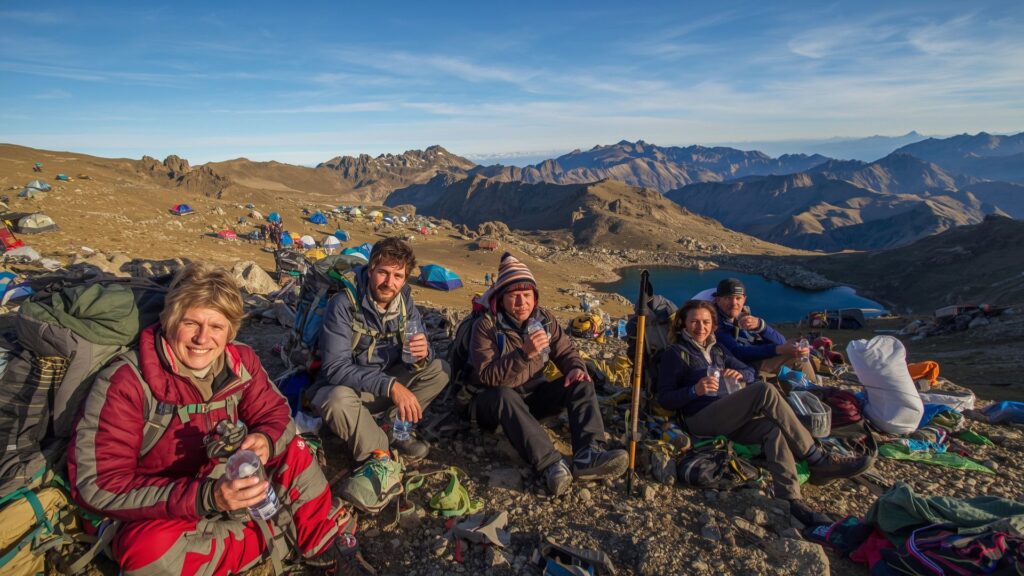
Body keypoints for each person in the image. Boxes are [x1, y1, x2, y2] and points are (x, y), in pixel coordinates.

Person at [68, 263, 372, 575]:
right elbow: (98, 484)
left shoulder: (239, 361)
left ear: (230, 330)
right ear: (169, 320)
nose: (203, 339)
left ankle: (321, 541)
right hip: (166, 502)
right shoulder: (126, 382)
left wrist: (266, 440)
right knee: (146, 552)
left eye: (216, 327)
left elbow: (276, 415)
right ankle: (279, 540)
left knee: (294, 448)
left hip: (225, 481)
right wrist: (206, 497)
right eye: (191, 323)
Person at [657, 300, 871, 525]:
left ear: (713, 325)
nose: (701, 327)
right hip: (700, 419)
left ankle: (790, 498)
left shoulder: (717, 349)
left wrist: (740, 376)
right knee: (764, 391)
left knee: (772, 430)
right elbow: (665, 398)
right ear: (683, 324)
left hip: (727, 415)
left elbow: (749, 371)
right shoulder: (676, 353)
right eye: (694, 322)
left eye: (706, 322)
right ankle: (816, 458)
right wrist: (695, 389)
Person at [468, 253, 628, 496]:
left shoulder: (545, 320)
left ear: (535, 297)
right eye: (513, 296)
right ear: (501, 299)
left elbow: (566, 351)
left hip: (532, 399)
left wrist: (575, 368)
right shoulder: (487, 327)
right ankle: (550, 465)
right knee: (504, 395)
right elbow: (487, 377)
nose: (521, 302)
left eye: (527, 295)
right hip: (492, 407)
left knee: (582, 382)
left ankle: (588, 454)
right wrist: (524, 353)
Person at [311, 237, 449, 511]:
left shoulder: (404, 302)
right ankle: (380, 456)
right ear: (371, 269)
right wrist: (391, 386)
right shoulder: (344, 304)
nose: (390, 282)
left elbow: (420, 355)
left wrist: (423, 355)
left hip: (383, 384)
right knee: (335, 401)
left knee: (440, 370)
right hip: (349, 389)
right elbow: (335, 368)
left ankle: (393, 425)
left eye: (398, 276)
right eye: (384, 272)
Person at [712, 278, 815, 379]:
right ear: (718, 300)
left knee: (799, 355)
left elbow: (782, 341)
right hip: (744, 366)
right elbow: (737, 352)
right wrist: (779, 349)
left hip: (758, 359)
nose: (734, 303)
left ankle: (808, 390)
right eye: (728, 298)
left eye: (738, 298)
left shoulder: (744, 317)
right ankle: (816, 391)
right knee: (797, 359)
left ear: (744, 299)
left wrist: (761, 327)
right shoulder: (714, 322)